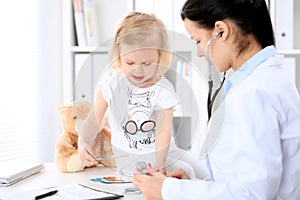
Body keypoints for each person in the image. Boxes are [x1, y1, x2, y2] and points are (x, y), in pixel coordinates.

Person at [132, 0, 300, 199]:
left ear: (221, 31)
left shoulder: (254, 93)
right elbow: (242, 178)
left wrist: (169, 191)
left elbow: (253, 194)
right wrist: (192, 187)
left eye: (197, 41)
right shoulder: (264, 81)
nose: (199, 52)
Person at [77, 11, 204, 178]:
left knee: (202, 171)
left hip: (164, 150)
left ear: (159, 57)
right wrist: (83, 141)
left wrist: (161, 161)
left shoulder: (163, 89)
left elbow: (162, 131)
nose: (138, 69)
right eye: (129, 62)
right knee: (187, 171)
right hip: (129, 158)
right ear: (119, 56)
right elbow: (94, 120)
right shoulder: (110, 86)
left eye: (146, 63)